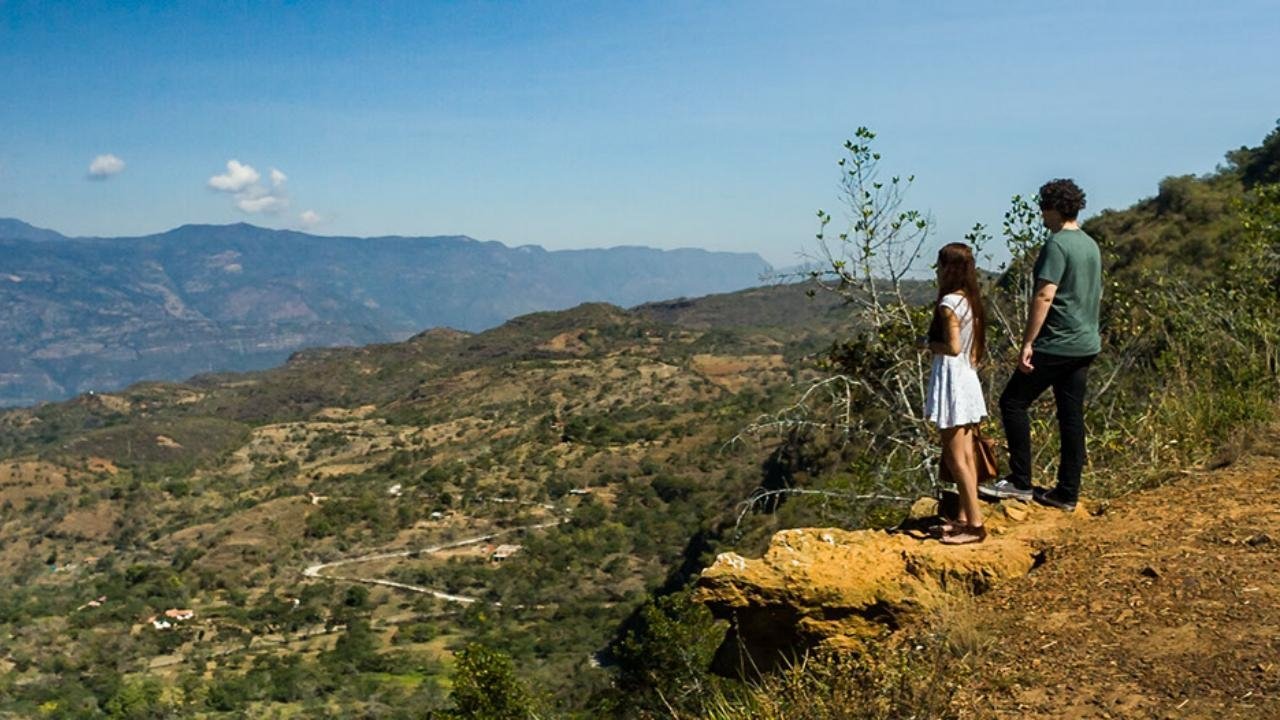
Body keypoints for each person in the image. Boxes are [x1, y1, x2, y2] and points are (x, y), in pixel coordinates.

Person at [980, 179, 1101, 511]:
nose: (1041, 216)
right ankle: (1067, 492)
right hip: (1085, 342)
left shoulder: (1057, 245)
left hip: (1058, 342)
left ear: (1053, 208)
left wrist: (1028, 341)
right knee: (1071, 416)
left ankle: (1020, 481)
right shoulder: (1090, 245)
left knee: (1013, 403)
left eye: (1043, 209)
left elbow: (1045, 294)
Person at [922, 242, 989, 545]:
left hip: (951, 381)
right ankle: (964, 517)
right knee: (966, 454)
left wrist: (928, 346)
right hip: (966, 378)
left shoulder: (948, 303)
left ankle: (974, 524)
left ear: (948, 268)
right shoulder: (970, 300)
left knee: (955, 457)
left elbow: (952, 347)